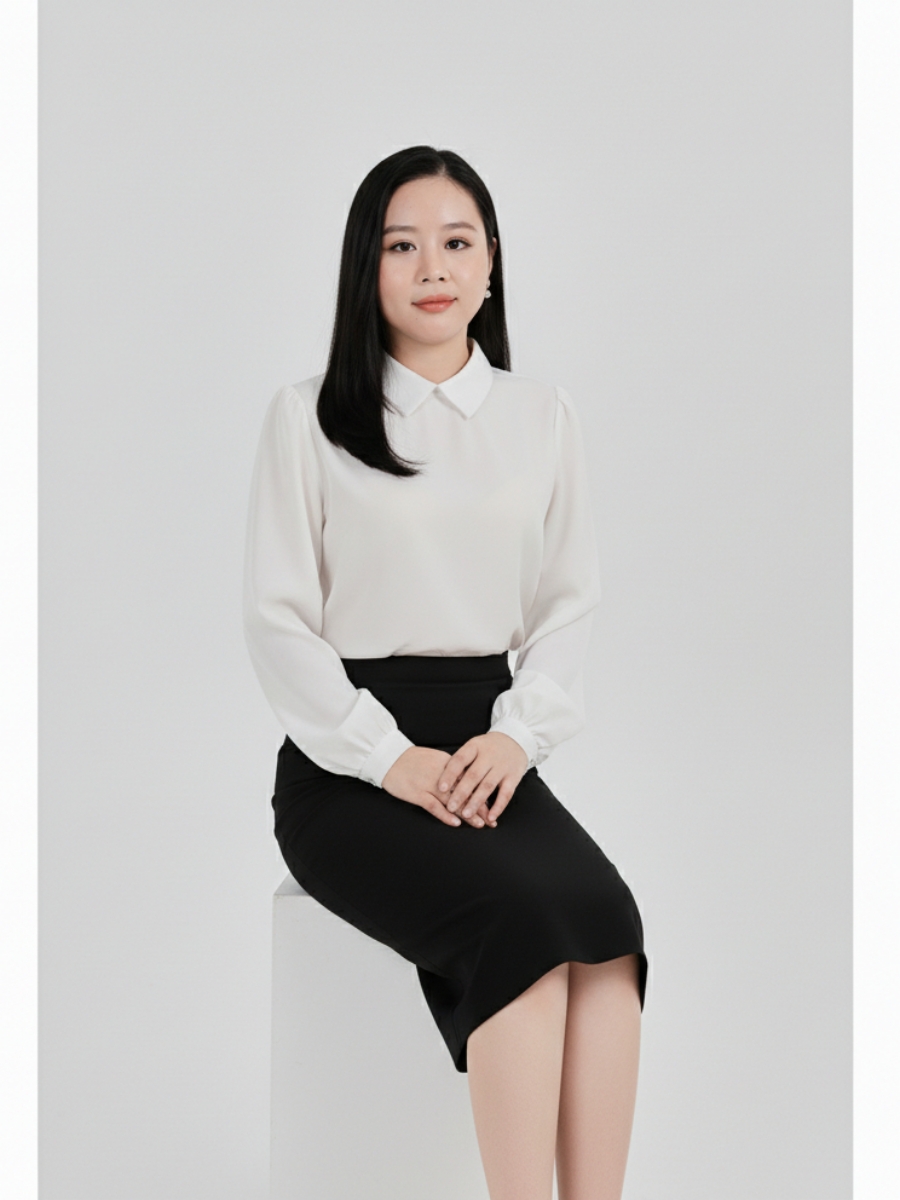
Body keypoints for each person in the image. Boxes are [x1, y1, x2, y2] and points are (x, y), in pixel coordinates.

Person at [242, 144, 648, 1200]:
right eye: (402, 246)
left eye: (458, 242)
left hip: (488, 752)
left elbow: (567, 605)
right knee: (520, 929)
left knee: (608, 928)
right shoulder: (308, 417)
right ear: (366, 269)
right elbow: (278, 625)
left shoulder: (541, 416)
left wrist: (517, 735)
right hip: (346, 769)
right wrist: (389, 759)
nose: (434, 267)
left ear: (492, 262)